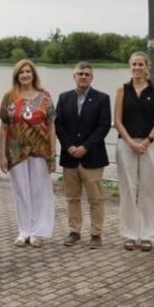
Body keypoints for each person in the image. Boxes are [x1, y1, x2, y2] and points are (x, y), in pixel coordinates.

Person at [0, 59, 56, 248]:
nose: (25, 74)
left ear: (33, 75)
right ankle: (24, 231)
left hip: (41, 150)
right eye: (21, 72)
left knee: (38, 190)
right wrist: (2, 155)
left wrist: (53, 154)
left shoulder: (45, 96)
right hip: (16, 151)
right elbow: (4, 126)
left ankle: (36, 232)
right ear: (17, 75)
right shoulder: (10, 97)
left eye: (28, 71)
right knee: (21, 191)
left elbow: (51, 126)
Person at [114, 52, 154, 252]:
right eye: (134, 64)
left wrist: (147, 141)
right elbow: (117, 120)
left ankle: (148, 235)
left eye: (140, 64)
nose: (137, 68)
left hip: (150, 145)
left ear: (147, 67)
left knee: (149, 190)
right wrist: (130, 142)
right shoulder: (122, 90)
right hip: (126, 145)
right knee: (128, 190)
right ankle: (129, 234)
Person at [55, 61, 111, 249]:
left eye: (87, 74)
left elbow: (103, 126)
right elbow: (59, 125)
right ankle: (74, 231)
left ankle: (96, 234)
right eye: (80, 74)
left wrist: (86, 146)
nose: (83, 77)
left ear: (92, 77)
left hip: (92, 157)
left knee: (95, 198)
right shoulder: (64, 98)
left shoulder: (102, 98)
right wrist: (69, 146)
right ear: (74, 77)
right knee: (72, 198)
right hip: (69, 157)